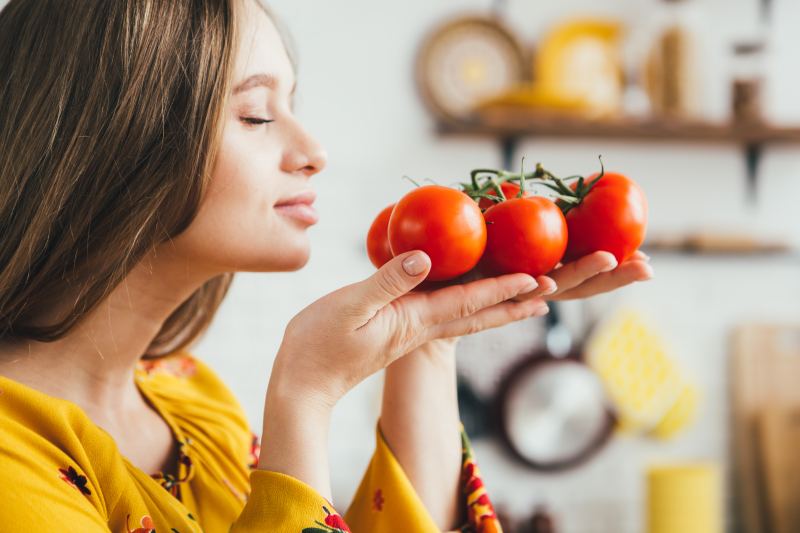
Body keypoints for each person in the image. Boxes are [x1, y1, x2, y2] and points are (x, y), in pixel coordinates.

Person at [0, 0, 653, 531]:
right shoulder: (12, 465)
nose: (313, 150)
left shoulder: (189, 399)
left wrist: (429, 337)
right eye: (257, 114)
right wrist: (304, 397)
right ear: (118, 145)